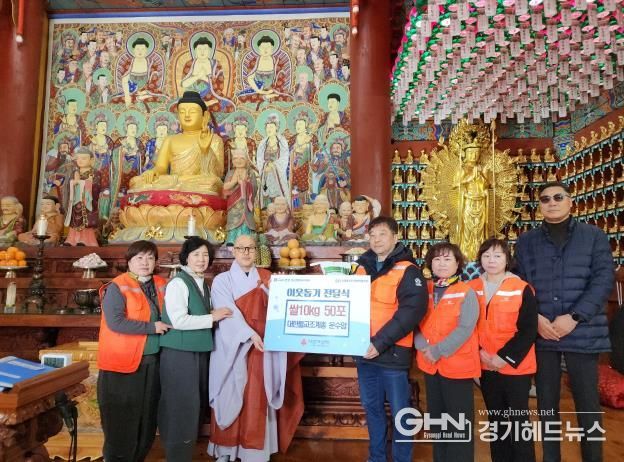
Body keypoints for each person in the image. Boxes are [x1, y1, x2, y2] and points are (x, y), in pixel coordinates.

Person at [515, 181, 614, 462]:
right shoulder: (526, 241)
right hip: (543, 333)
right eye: (545, 199)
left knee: (587, 405)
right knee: (546, 405)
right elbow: (519, 284)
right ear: (540, 206)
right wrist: (535, 318)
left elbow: (603, 280)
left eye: (558, 197)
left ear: (570, 202)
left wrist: (575, 317)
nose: (552, 202)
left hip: (583, 331)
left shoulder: (593, 236)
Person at [208, 234, 304, 461]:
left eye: (250, 248)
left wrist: (275, 290)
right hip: (234, 346)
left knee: (257, 396)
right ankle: (226, 450)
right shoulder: (222, 280)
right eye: (241, 248)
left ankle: (255, 452)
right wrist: (249, 334)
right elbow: (227, 312)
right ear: (233, 251)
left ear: (256, 251)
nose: (246, 252)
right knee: (230, 393)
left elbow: (282, 308)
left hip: (264, 347)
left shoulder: (267, 277)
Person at [353, 216, 428, 462]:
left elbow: (412, 312)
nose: (376, 240)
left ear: (395, 237)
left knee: (400, 414)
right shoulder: (361, 267)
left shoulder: (408, 270)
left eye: (382, 234)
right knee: (372, 409)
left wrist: (380, 343)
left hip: (393, 355)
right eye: (372, 235)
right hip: (364, 354)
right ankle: (376, 458)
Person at [158, 237, 232, 461]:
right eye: (196, 255)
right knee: (180, 406)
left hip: (198, 352)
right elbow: (179, 320)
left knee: (193, 406)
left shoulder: (202, 283)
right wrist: (212, 317)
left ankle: (183, 454)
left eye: (205, 255)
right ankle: (176, 456)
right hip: (179, 354)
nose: (201, 259)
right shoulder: (178, 283)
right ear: (186, 258)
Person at [97, 240, 170, 462]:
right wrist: (152, 327)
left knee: (146, 420)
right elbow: (116, 322)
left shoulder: (162, 284)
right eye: (139, 258)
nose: (145, 262)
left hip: (153, 362)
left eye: (150, 257)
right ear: (129, 262)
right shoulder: (117, 286)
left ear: (156, 262)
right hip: (122, 366)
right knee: (122, 422)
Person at [469, 238, 538, 462]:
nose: (491, 260)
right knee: (496, 420)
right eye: (486, 255)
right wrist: (478, 353)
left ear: (507, 259)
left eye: (497, 255)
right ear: (480, 259)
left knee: (518, 421)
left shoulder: (521, 288)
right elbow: (466, 326)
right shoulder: (472, 288)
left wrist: (503, 357)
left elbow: (528, 330)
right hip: (485, 365)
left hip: (515, 367)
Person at [415, 242, 480, 462]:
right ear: (430, 263)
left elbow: (465, 328)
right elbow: (414, 321)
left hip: (456, 365)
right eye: (437, 259)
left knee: (458, 422)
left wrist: (438, 350)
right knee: (437, 420)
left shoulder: (466, 292)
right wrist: (422, 345)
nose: (441, 264)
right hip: (430, 365)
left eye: (447, 259)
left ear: (458, 263)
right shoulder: (424, 290)